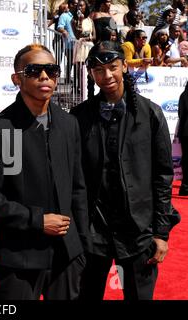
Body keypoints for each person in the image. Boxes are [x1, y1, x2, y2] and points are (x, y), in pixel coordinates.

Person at [0, 44, 90, 300]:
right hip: (18, 257)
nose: (45, 77)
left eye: (51, 70)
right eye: (34, 70)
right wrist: (37, 220)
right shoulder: (2, 128)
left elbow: (78, 190)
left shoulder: (69, 124)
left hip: (66, 256)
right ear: (17, 79)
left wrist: (81, 246)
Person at [70, 41, 176, 300]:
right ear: (91, 74)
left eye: (113, 68)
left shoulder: (150, 113)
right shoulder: (79, 117)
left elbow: (163, 176)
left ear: (125, 67)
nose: (106, 76)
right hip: (92, 231)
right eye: (98, 70)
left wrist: (161, 233)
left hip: (138, 231)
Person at [177, 81, 188, 195]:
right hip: (185, 131)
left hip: (184, 132)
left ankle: (185, 186)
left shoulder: (183, 95)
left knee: (185, 159)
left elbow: (180, 113)